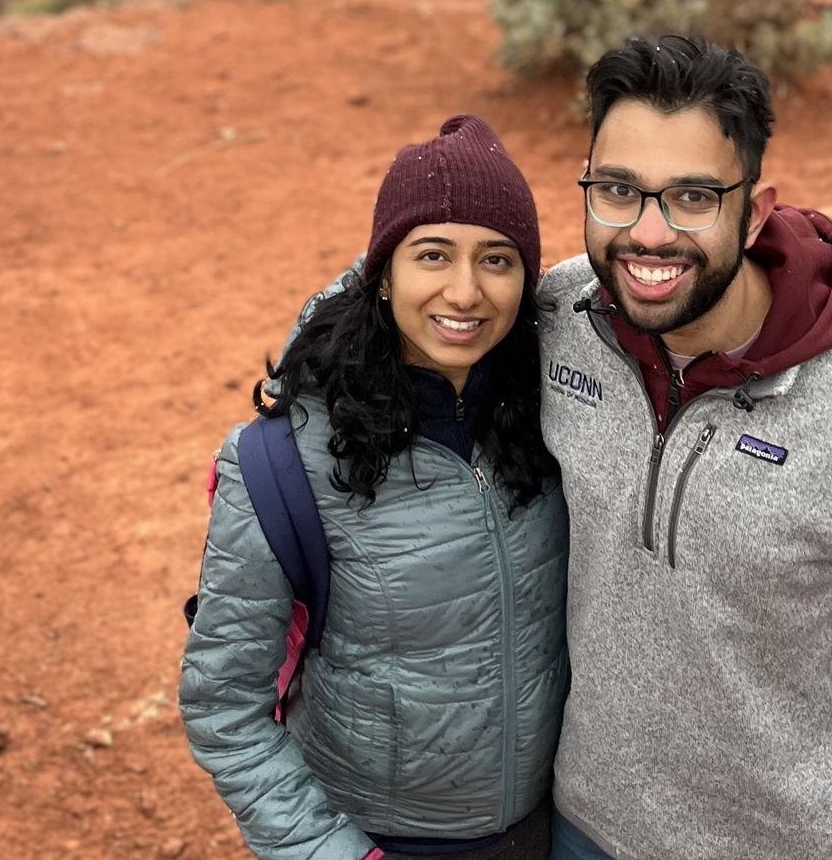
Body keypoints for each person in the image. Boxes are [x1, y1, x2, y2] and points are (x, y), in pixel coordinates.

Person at [539, 34, 832, 860]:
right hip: (585, 825)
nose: (648, 234)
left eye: (694, 198)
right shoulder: (561, 317)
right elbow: (417, 300)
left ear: (755, 210)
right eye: (618, 190)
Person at [182, 114, 567, 860]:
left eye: (497, 259)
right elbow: (223, 705)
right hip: (373, 841)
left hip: (549, 832)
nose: (465, 291)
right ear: (382, 273)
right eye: (432, 254)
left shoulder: (557, 420)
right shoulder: (280, 463)